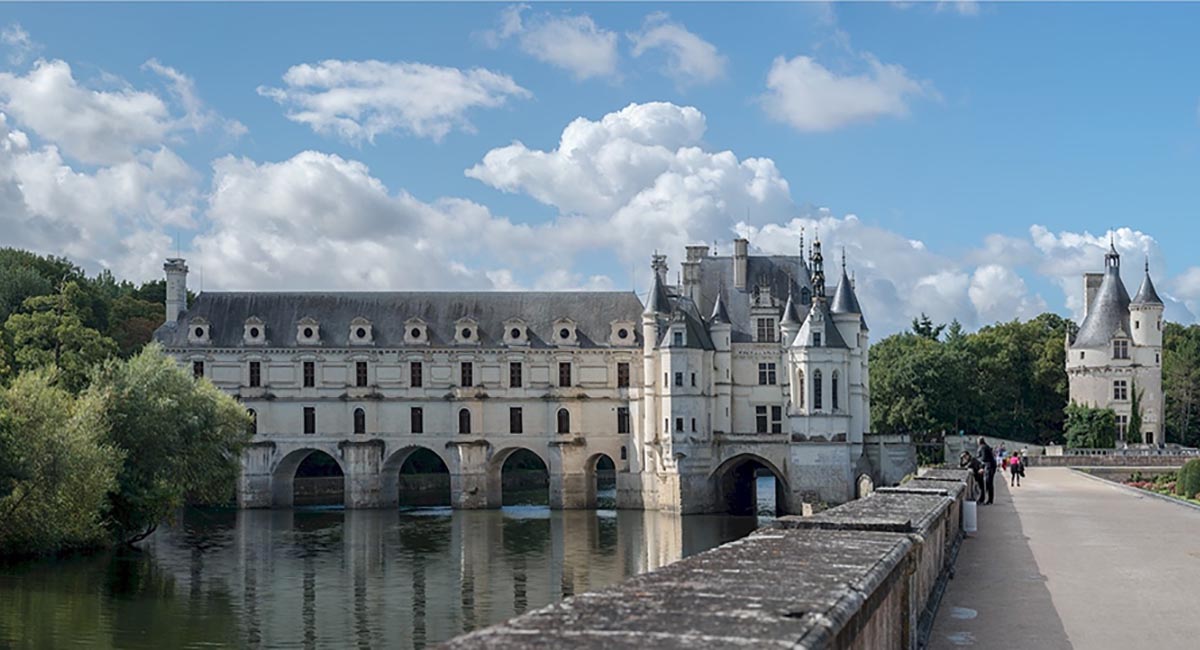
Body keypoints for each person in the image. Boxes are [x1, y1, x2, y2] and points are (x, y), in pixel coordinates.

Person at [977, 436, 996, 505]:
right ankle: (989, 499)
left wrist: (981, 467)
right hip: (990, 466)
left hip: (989, 466)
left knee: (989, 483)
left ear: (979, 442)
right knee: (988, 483)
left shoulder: (983, 447)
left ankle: (990, 500)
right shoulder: (985, 447)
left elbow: (983, 458)